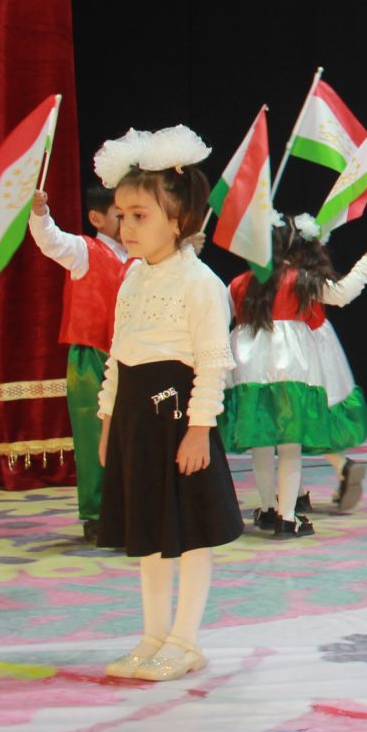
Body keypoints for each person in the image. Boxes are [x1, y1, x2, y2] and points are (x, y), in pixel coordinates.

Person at [90, 126, 244, 683]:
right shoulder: (132, 278)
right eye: (121, 215)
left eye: (139, 215)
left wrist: (199, 430)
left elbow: (212, 363)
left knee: (191, 532)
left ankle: (184, 640)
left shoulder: (201, 283)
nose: (125, 227)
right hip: (137, 423)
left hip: (178, 422)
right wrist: (108, 421)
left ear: (177, 220)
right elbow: (118, 355)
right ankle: (153, 634)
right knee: (149, 534)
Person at [220, 215, 367, 537]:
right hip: (291, 372)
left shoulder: (238, 284)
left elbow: (222, 319)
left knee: (261, 443)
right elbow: (342, 294)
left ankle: (268, 510)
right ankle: (287, 518)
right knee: (289, 445)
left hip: (247, 375)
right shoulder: (299, 279)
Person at [27, 182, 129, 544]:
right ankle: (97, 513)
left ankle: (131, 507)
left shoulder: (141, 258)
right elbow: (50, 240)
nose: (129, 223)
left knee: (133, 435)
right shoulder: (84, 251)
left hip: (132, 355)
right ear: (97, 218)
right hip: (92, 357)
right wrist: (40, 213)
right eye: (121, 215)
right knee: (92, 436)